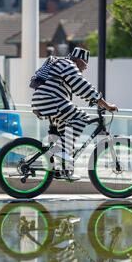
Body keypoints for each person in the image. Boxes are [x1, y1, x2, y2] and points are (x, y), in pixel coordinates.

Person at [31, 47, 118, 180]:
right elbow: (81, 85)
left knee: (65, 133)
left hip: (44, 101)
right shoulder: (68, 64)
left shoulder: (60, 64)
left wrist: (93, 100)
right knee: (81, 117)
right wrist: (105, 104)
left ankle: (62, 170)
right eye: (85, 64)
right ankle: (61, 153)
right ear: (79, 60)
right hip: (50, 100)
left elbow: (76, 88)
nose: (86, 68)